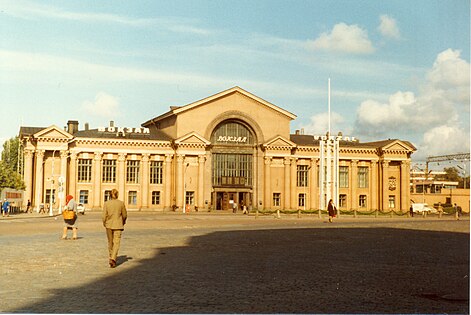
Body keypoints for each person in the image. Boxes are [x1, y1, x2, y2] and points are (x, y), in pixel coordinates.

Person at [102, 189, 127, 268]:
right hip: (118, 225)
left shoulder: (106, 203)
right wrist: (123, 221)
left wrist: (104, 223)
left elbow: (103, 216)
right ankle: (113, 258)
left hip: (108, 225)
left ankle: (111, 257)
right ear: (117, 195)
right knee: (116, 243)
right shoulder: (121, 203)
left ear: (110, 195)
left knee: (110, 242)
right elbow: (125, 215)